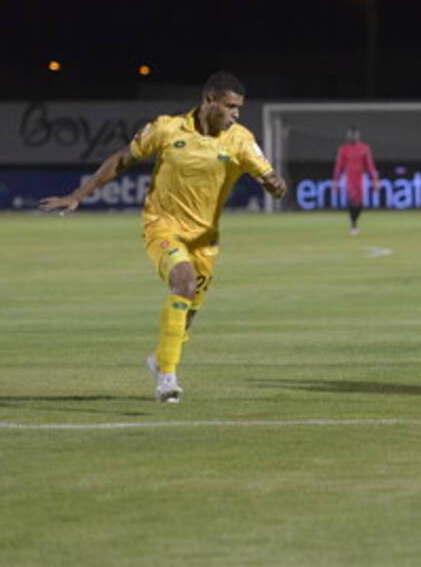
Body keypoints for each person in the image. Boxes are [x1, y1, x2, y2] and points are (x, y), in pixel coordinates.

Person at [40, 72, 287, 403]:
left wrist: (275, 186)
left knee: (189, 312)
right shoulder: (167, 129)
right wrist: (79, 194)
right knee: (183, 282)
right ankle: (167, 377)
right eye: (230, 107)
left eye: (238, 108)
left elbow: (271, 179)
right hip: (162, 226)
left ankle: (159, 360)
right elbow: (122, 159)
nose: (235, 114)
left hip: (205, 240)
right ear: (209, 101)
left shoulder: (241, 140)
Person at [334, 127, 380, 235]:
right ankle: (353, 224)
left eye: (354, 135)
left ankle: (354, 220)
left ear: (358, 136)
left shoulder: (364, 148)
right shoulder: (343, 149)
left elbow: (369, 166)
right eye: (350, 135)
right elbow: (339, 166)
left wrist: (374, 179)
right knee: (351, 201)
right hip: (349, 178)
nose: (352, 137)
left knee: (360, 204)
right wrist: (336, 180)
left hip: (360, 178)